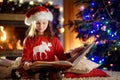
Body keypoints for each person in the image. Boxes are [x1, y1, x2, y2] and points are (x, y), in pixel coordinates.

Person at [20, 6, 68, 79]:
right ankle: (42, 76)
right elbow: (25, 56)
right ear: (33, 23)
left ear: (48, 23)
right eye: (38, 23)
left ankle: (43, 76)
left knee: (58, 72)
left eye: (44, 23)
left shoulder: (53, 39)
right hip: (34, 68)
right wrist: (26, 63)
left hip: (49, 68)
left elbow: (61, 55)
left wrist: (68, 61)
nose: (41, 26)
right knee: (21, 71)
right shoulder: (29, 40)